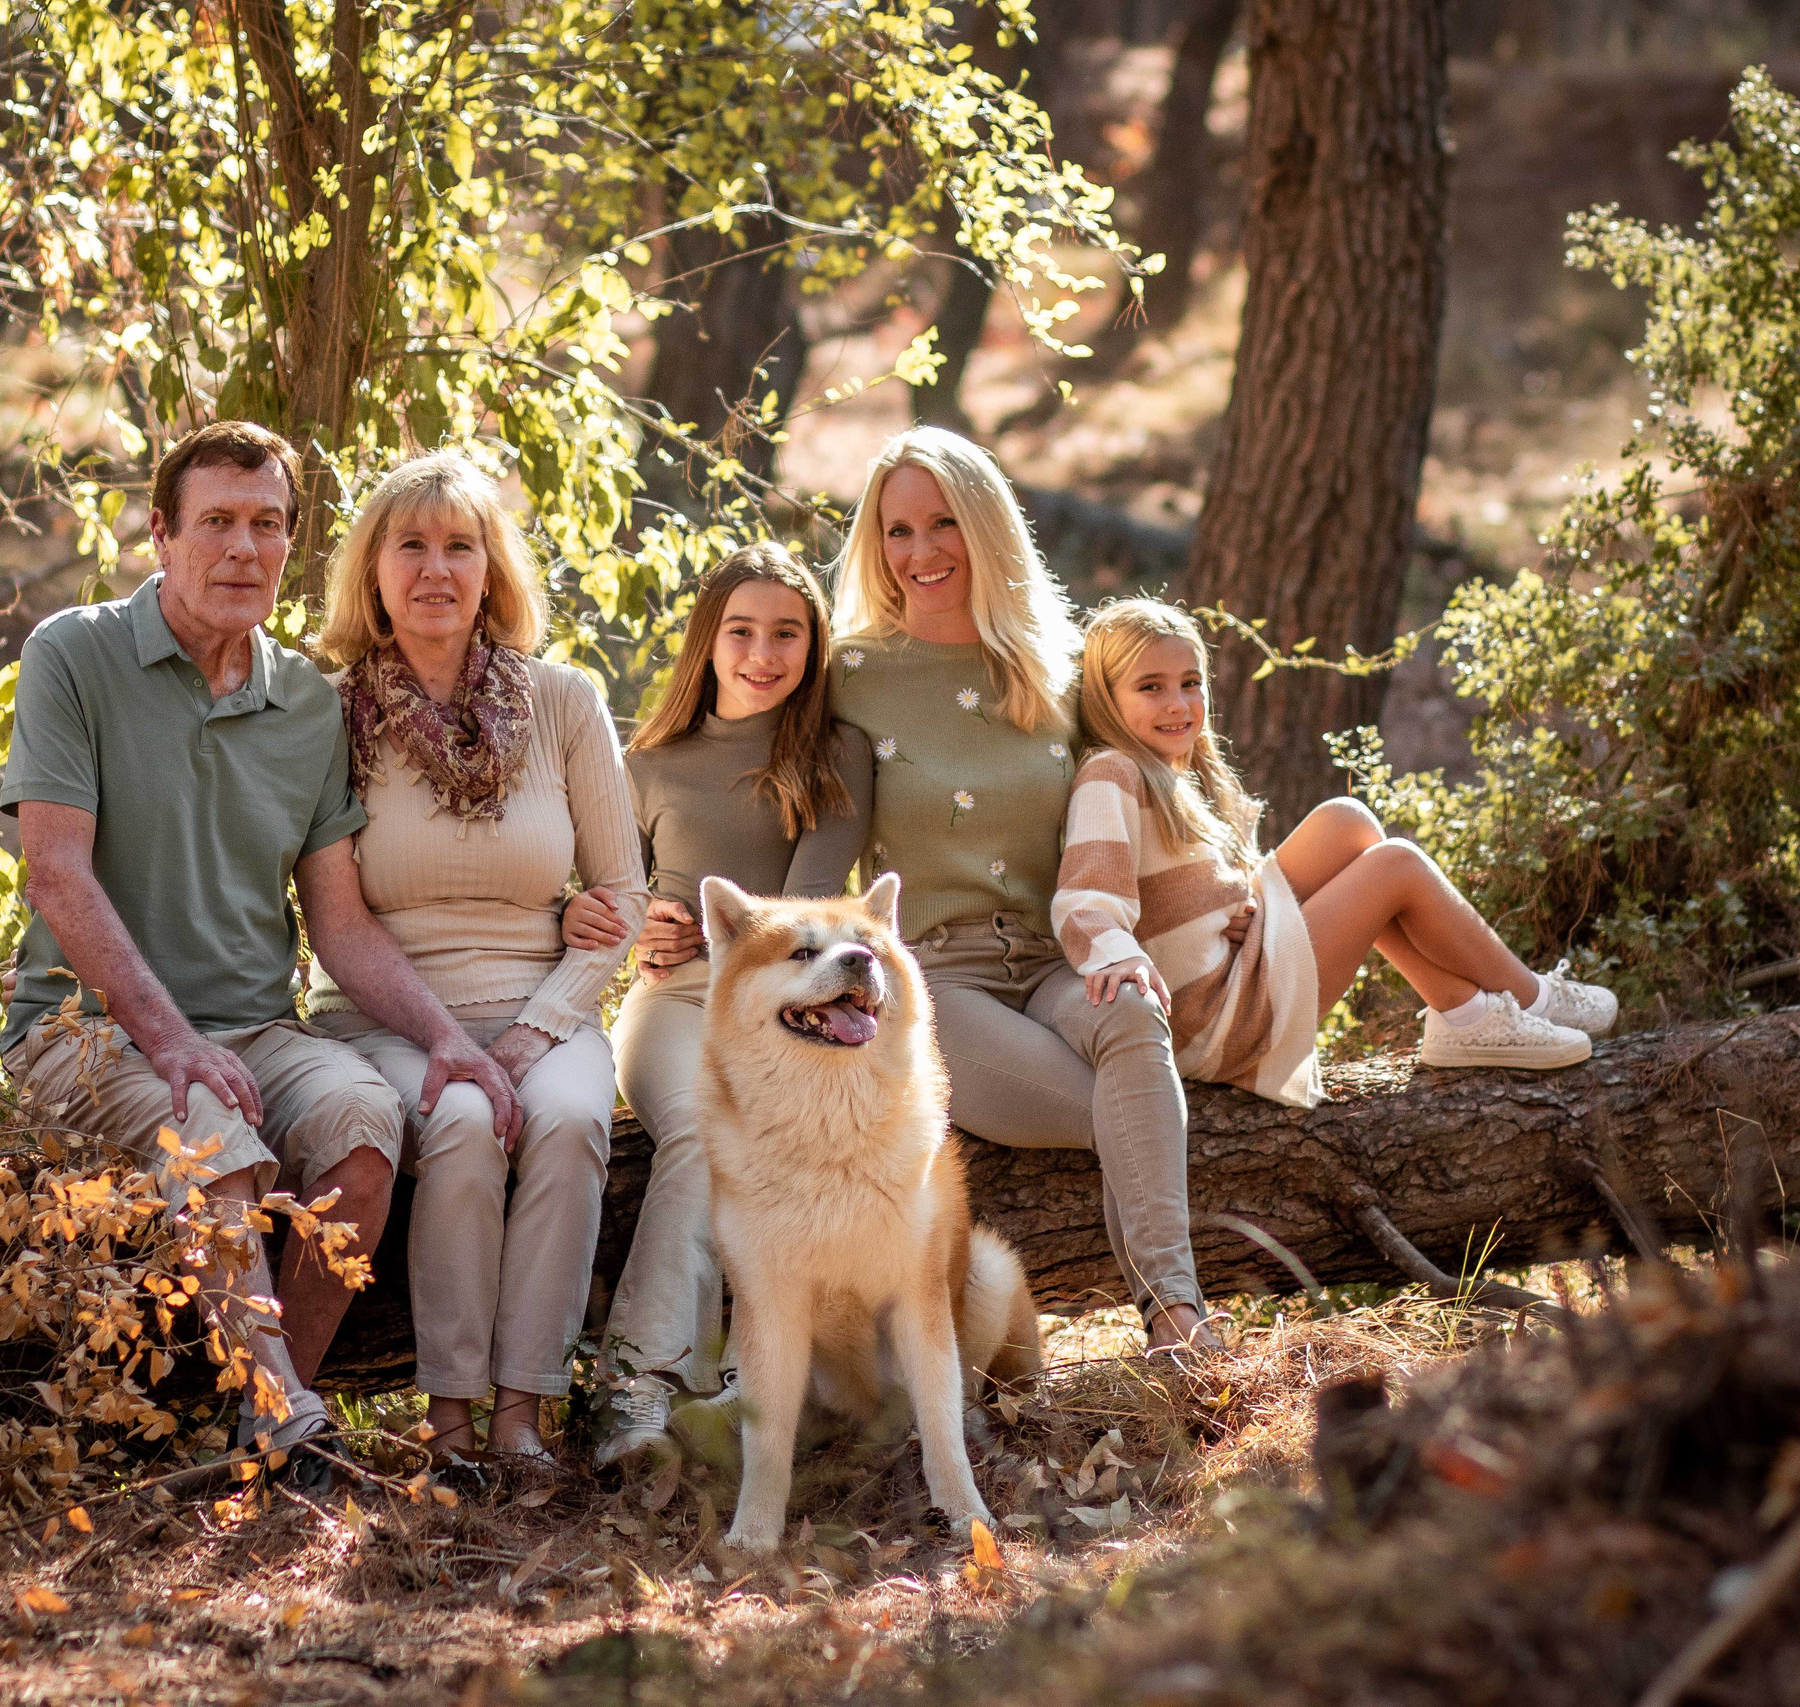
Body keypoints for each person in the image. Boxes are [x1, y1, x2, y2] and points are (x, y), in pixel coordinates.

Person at [0, 421, 520, 1482]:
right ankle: (284, 1412)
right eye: (218, 523)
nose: (243, 549)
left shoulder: (307, 708)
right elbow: (55, 873)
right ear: (159, 535)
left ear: (292, 543)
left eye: (267, 526)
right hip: (86, 1031)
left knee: (366, 1127)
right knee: (211, 1130)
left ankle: (270, 1416)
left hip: (254, 1029)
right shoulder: (73, 654)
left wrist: (445, 1038)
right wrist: (175, 1043)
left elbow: (337, 923)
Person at [825, 425, 1219, 1356]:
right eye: (897, 531)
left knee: (1132, 1023)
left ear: (987, 525)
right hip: (937, 982)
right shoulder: (850, 675)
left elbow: (1145, 792)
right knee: (1128, 1112)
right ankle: (1180, 1318)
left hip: (1056, 960)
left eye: (943, 523)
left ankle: (1175, 1320)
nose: (921, 552)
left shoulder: (1058, 667)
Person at [307, 451, 647, 1466]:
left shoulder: (563, 703)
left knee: (575, 1118)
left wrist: (541, 1026)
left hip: (543, 1003)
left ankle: (523, 1411)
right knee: (457, 1122)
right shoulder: (324, 716)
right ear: (371, 572)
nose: (435, 570)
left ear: (494, 572)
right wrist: (452, 1043)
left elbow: (624, 892)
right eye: (408, 545)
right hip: (387, 1017)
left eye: (461, 546)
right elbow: (326, 914)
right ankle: (448, 1417)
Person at [558, 542, 874, 1471]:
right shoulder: (648, 759)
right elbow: (601, 892)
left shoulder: (834, 755)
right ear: (708, 638)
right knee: (700, 1127)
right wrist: (637, 919)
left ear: (814, 648)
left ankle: (749, 1387)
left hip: (794, 1011)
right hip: (675, 1007)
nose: (762, 654)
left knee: (774, 1134)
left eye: (787, 634)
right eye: (742, 631)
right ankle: (637, 1387)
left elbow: (816, 916)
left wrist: (710, 928)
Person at [1054, 598, 1617, 1091]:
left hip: (1231, 967)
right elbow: (1088, 893)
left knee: (1347, 821)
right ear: (1106, 698)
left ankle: (1464, 1014)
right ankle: (1531, 998)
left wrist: (1237, 905)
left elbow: (1189, 885)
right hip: (1216, 1020)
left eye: (1190, 682)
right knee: (1393, 866)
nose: (1178, 703)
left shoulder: (1172, 773)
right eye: (1150, 687)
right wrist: (1115, 953)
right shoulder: (1113, 773)